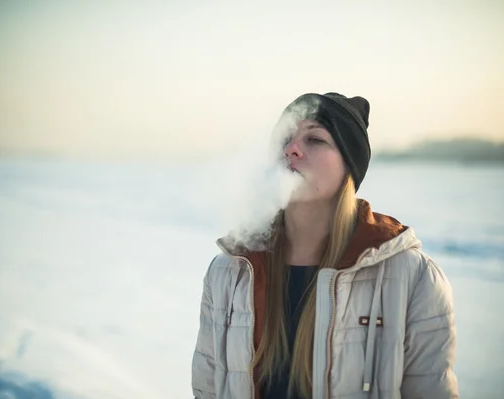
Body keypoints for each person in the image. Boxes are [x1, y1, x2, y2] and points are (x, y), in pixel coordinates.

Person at [191, 92, 458, 399]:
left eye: (315, 140)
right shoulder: (229, 271)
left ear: (349, 165)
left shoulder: (413, 278)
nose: (292, 149)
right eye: (285, 138)